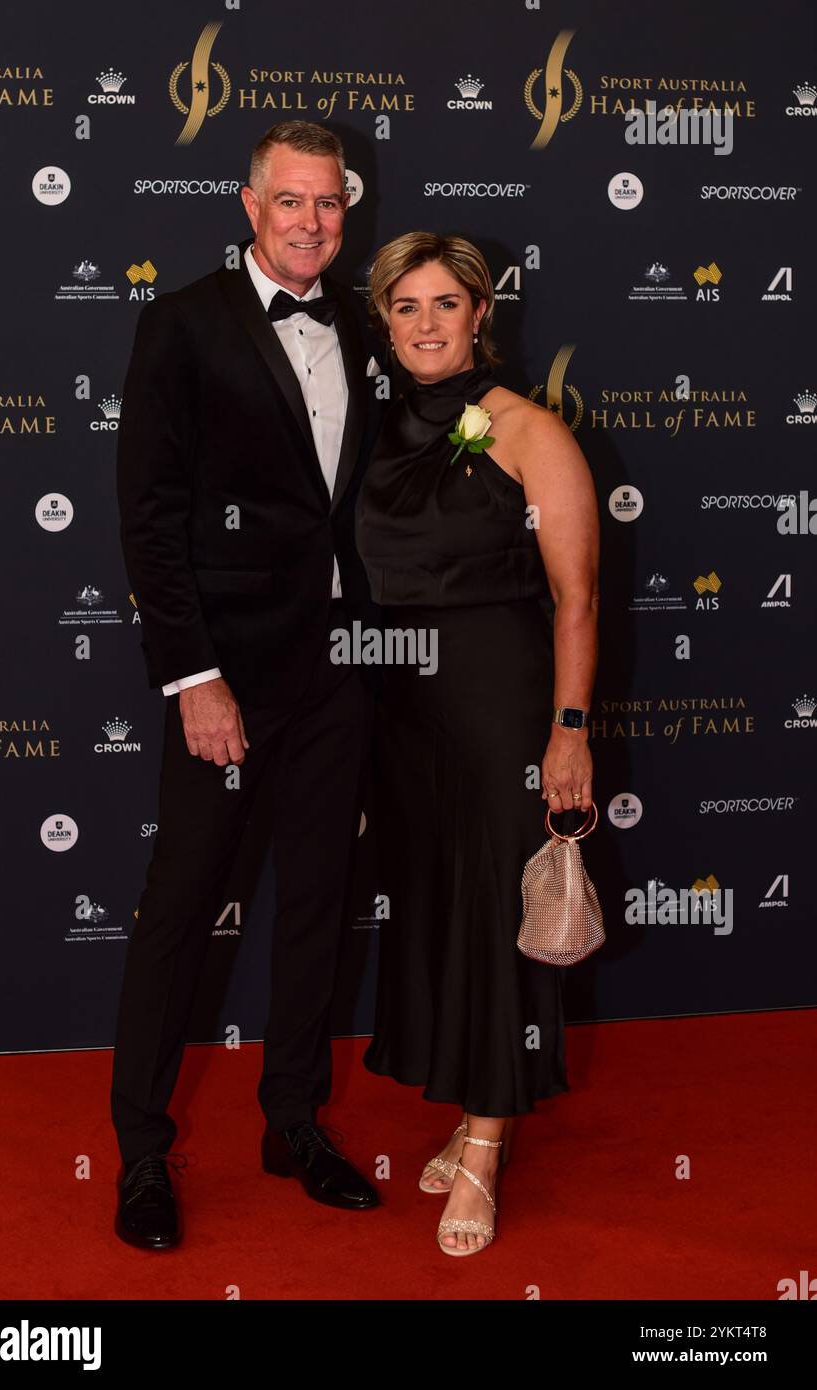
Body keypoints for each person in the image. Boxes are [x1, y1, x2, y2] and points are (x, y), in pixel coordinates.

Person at [111, 120, 386, 1249]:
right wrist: (194, 678)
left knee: (318, 903)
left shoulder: (368, 324)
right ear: (249, 204)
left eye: (329, 203)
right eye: (291, 202)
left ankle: (292, 1123)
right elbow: (150, 518)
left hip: (342, 676)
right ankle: (137, 1153)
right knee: (181, 908)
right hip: (228, 675)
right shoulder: (182, 323)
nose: (313, 223)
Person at [355, 232, 600, 1257]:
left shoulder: (526, 429)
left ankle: (489, 1143)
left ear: (479, 314)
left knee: (500, 907)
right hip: (400, 713)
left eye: (444, 305)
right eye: (405, 307)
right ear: (383, 320)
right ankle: (466, 1108)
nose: (425, 324)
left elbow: (577, 598)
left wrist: (570, 730)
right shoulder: (373, 432)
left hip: (500, 701)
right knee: (442, 909)